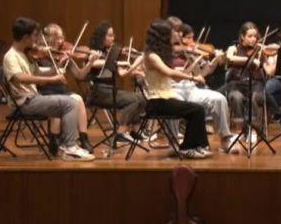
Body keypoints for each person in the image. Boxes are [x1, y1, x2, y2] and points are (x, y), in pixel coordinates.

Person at [1, 17, 95, 161]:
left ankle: (66, 144)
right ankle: (69, 147)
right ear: (26, 37)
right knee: (70, 103)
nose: (36, 39)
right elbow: (19, 78)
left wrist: (56, 68)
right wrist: (51, 79)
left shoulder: (25, 54)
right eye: (34, 36)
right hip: (23, 102)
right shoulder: (11, 56)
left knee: (72, 102)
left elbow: (38, 73)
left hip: (33, 99)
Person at [142, 19, 213, 159]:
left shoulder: (160, 54)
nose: (173, 35)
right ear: (162, 36)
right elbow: (170, 73)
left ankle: (197, 146)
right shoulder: (151, 56)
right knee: (196, 110)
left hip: (166, 98)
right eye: (170, 33)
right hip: (157, 101)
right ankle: (187, 148)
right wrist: (193, 78)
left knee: (196, 109)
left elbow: (175, 78)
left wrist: (192, 69)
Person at [174, 23, 238, 152]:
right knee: (172, 101)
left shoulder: (191, 56)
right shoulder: (168, 50)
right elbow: (184, 51)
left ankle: (225, 139)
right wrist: (201, 51)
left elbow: (201, 75)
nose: (191, 42)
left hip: (190, 88)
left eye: (193, 38)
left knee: (219, 98)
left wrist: (214, 62)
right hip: (173, 88)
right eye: (187, 38)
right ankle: (174, 141)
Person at [36, 23, 97, 153]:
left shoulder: (63, 55)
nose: (62, 41)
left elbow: (80, 75)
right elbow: (38, 75)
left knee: (79, 99)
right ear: (49, 39)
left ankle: (83, 138)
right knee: (60, 104)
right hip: (46, 92)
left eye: (62, 37)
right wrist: (58, 65)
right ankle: (55, 139)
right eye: (57, 38)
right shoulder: (39, 56)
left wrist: (90, 63)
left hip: (61, 91)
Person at [86, 20, 146, 146]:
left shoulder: (112, 54)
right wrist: (115, 62)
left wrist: (135, 67)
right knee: (135, 100)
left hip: (110, 90)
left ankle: (132, 130)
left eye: (113, 35)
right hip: (99, 92)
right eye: (109, 35)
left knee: (142, 98)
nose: (113, 38)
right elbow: (94, 64)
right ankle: (121, 132)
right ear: (101, 37)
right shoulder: (93, 53)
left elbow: (122, 74)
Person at [221, 22, 278, 140]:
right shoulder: (234, 48)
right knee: (236, 97)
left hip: (256, 84)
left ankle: (253, 131)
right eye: (250, 36)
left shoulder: (260, 51)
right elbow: (230, 58)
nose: (253, 39)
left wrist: (273, 60)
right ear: (242, 36)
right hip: (236, 84)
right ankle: (239, 130)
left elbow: (269, 71)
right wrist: (249, 60)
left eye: (255, 37)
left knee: (254, 98)